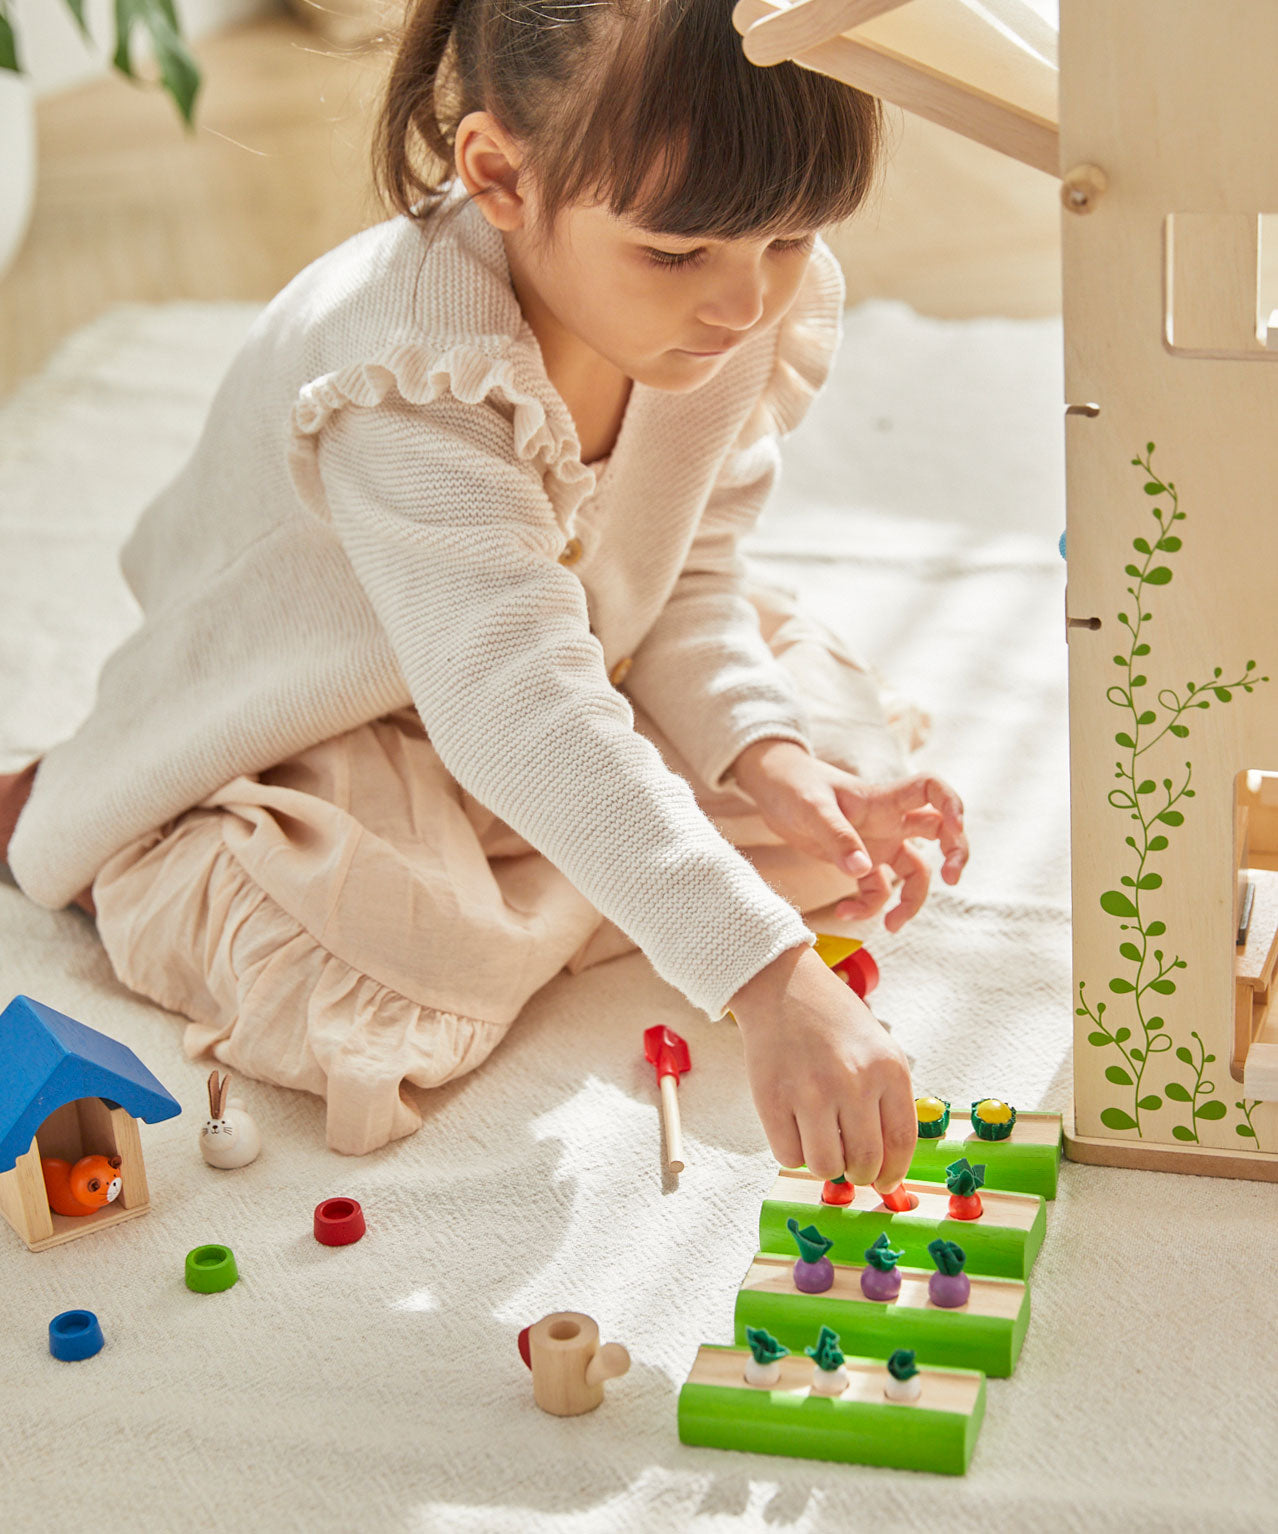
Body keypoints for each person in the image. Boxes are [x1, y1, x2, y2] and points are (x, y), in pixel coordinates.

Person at [1, 0, 967, 1166]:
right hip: (343, 709)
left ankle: (606, 851)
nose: (743, 302)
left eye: (793, 240)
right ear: (500, 176)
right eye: (675, 253)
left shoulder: (726, 301)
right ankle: (98, 807)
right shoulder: (412, 373)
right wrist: (763, 979)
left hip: (556, 654)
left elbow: (690, 576)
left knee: (837, 800)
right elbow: (514, 704)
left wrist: (770, 755)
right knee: (410, 980)